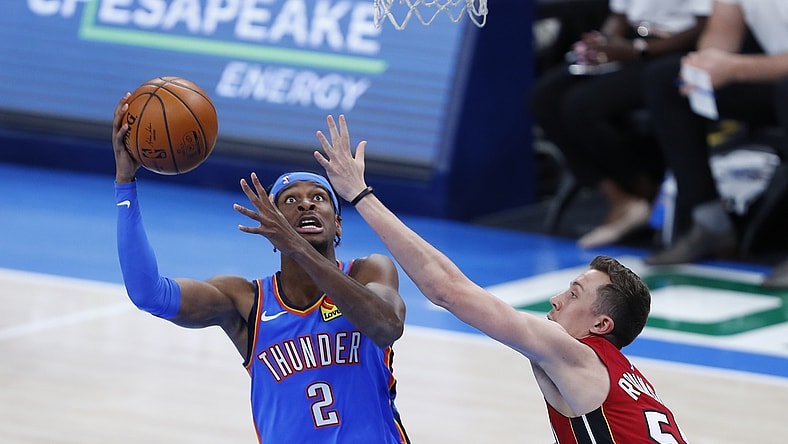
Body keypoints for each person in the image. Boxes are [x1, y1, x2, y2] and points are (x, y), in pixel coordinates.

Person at [313, 114, 688, 443]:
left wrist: (360, 195)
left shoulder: (576, 354)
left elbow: (448, 291)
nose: (556, 299)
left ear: (601, 324)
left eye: (574, 295)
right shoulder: (630, 381)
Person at [111, 95, 410, 443]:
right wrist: (125, 184)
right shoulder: (245, 301)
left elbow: (386, 326)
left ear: (338, 224)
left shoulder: (368, 271)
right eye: (290, 201)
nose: (305, 204)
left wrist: (297, 248)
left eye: (319, 198)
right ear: (272, 226)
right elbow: (149, 294)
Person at [530, 0, 712, 248]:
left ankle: (646, 191)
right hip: (632, 44)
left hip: (674, 51)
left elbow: (705, 27)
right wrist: (602, 44)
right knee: (544, 97)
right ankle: (620, 198)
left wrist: (638, 50)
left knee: (581, 106)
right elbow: (619, 16)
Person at [643, 0, 788, 265]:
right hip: (774, 78)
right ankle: (710, 222)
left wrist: (733, 68)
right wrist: (707, 62)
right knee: (665, 79)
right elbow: (722, 31)